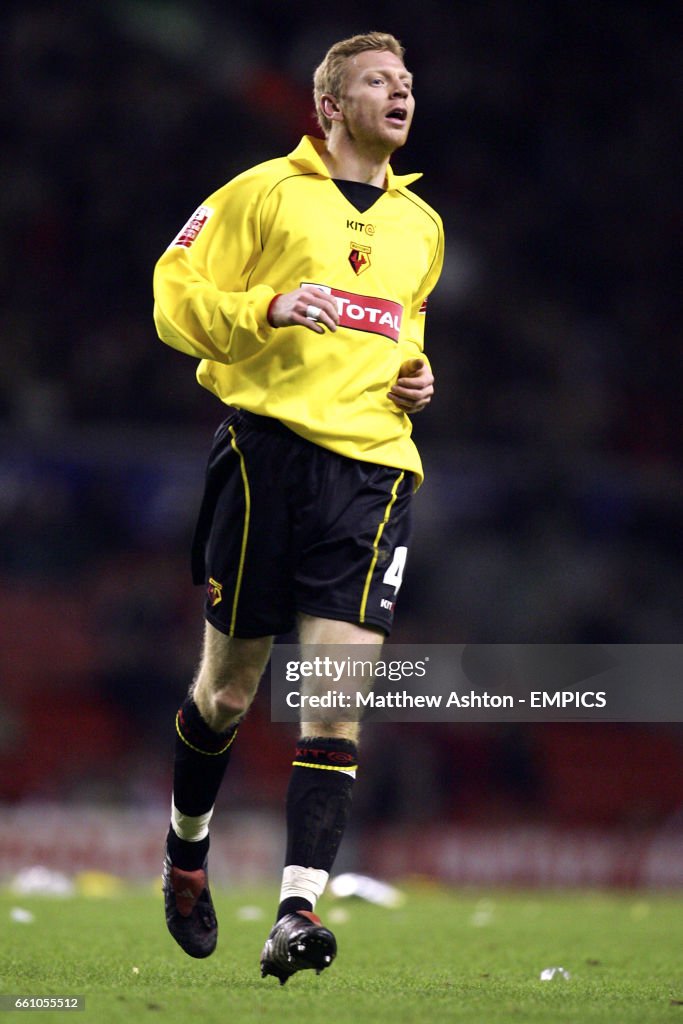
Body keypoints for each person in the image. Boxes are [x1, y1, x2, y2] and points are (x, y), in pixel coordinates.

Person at [152, 30, 444, 984]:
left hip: (371, 471)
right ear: (329, 105)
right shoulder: (261, 193)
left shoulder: (422, 226)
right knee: (230, 693)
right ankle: (186, 854)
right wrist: (267, 309)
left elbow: (406, 326)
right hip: (264, 455)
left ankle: (295, 909)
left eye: (404, 80)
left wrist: (416, 377)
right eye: (376, 80)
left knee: (332, 705)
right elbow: (172, 296)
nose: (399, 92)